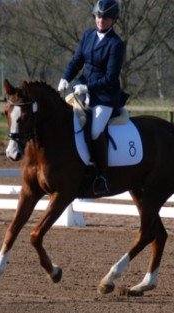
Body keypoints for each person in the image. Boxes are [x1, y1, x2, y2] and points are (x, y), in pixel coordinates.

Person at [57, 0, 125, 196]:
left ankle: (102, 174)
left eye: (106, 17)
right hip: (82, 87)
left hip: (104, 95)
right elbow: (77, 60)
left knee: (95, 131)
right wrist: (65, 78)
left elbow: (111, 77)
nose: (101, 20)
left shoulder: (116, 44)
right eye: (98, 16)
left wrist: (87, 87)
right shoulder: (88, 35)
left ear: (113, 20)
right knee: (67, 120)